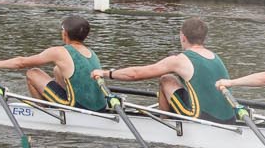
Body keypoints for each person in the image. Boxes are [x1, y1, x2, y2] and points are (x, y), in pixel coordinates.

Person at [94, 18, 239, 122]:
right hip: (230, 117)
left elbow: (136, 74)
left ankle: (165, 123)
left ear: (182, 36)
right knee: (175, 80)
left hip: (202, 117)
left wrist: (107, 73)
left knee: (165, 79)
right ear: (204, 38)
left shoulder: (180, 60)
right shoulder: (215, 56)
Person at [0, 14, 111, 112]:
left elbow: (21, 63)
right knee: (57, 70)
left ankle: (43, 113)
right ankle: (57, 104)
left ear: (65, 33)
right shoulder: (92, 53)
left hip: (77, 107)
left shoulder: (59, 52)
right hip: (100, 107)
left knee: (32, 73)